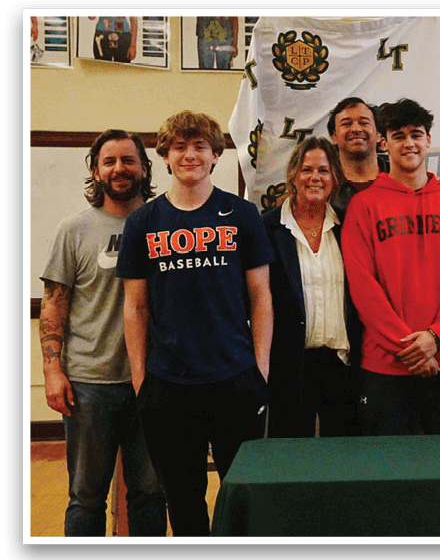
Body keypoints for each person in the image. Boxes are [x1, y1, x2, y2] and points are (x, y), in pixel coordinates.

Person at [117, 111, 275, 536]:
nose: (190, 154)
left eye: (199, 146)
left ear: (215, 155)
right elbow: (135, 308)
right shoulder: (142, 223)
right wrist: (140, 379)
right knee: (184, 503)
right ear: (165, 156)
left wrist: (259, 369)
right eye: (180, 146)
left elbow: (261, 297)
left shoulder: (242, 215)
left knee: (241, 495)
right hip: (168, 386)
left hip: (235, 379)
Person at [39, 129, 167, 537]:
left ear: (145, 168)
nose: (119, 169)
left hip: (154, 381)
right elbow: (54, 303)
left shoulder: (165, 224)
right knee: (86, 496)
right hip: (90, 385)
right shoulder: (73, 230)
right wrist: (52, 370)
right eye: (109, 161)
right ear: (95, 171)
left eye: (128, 160)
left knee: (150, 493)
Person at [341, 99, 440, 436]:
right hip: (386, 366)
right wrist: (413, 349)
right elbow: (364, 289)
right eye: (399, 135)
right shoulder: (363, 207)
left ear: (429, 140)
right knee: (388, 475)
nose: (409, 143)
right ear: (384, 142)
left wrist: (436, 338)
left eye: (416, 135)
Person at [262, 136, 364, 438]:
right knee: (291, 463)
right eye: (307, 170)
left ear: (335, 177)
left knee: (344, 463)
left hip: (342, 363)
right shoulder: (267, 229)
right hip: (289, 364)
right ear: (293, 175)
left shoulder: (349, 226)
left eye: (323, 170)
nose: (315, 178)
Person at [327, 97, 388, 210]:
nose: (356, 129)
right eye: (346, 124)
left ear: (379, 135)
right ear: (334, 136)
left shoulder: (399, 177)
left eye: (364, 123)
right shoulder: (323, 183)